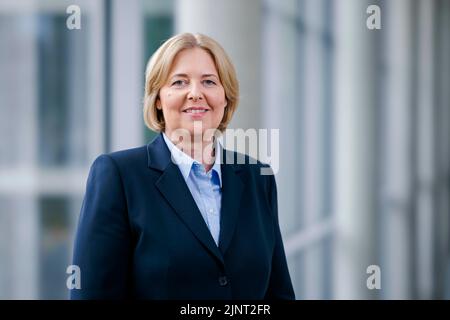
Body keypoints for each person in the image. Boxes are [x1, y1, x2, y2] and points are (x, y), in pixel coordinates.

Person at [70, 33, 295, 300]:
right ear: (158, 99)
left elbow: (278, 293)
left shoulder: (258, 177)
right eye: (179, 82)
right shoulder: (119, 176)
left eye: (209, 81)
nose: (195, 93)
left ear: (226, 97)